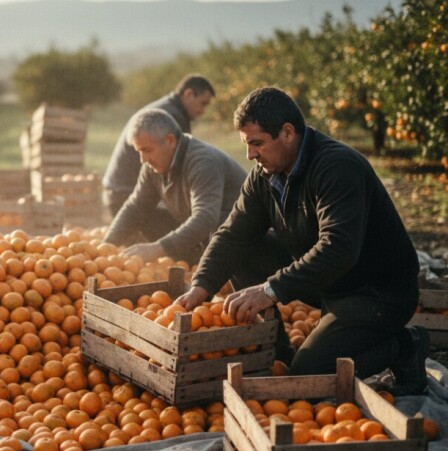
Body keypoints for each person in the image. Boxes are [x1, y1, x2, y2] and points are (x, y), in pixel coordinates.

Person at [175, 87, 428, 396]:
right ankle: (277, 352)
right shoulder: (264, 175)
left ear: (287, 132)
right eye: (247, 144)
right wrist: (200, 287)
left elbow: (338, 248)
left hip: (376, 293)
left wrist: (271, 289)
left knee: (308, 377)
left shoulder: (336, 167)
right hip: (330, 282)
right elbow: (232, 235)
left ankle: (405, 345)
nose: (250, 155)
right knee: (244, 250)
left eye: (257, 143)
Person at [103, 108, 247, 265]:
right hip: (207, 233)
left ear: (170, 141)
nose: (143, 159)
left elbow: (205, 218)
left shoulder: (202, 162)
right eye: (139, 151)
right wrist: (107, 246)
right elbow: (136, 207)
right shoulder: (153, 167)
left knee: (216, 228)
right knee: (146, 217)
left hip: (241, 235)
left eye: (147, 150)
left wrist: (157, 249)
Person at [101, 74, 215, 216]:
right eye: (203, 103)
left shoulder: (168, 109)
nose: (203, 111)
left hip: (117, 192)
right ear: (189, 94)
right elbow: (179, 169)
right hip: (126, 194)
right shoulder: (171, 117)